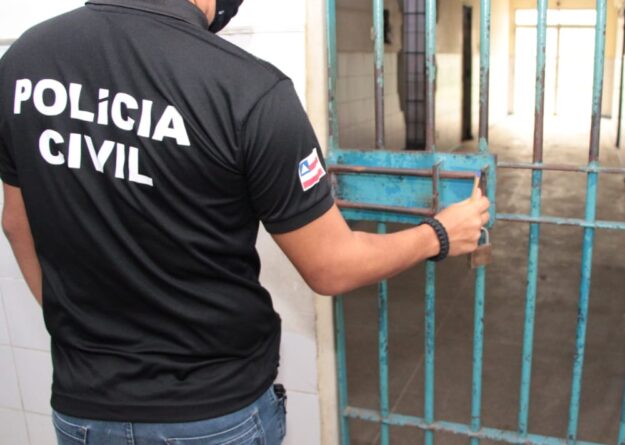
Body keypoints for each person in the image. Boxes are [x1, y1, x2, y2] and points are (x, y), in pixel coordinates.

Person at [0, 0, 490, 443]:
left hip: (84, 408)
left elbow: (17, 223)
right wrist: (440, 235)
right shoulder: (248, 89)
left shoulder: (24, 60)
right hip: (213, 413)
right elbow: (331, 265)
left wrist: (85, 330)